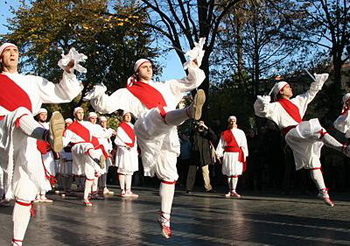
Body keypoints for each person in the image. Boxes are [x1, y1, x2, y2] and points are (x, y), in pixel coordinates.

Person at [85, 38, 206, 239]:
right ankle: (189, 111)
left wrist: (193, 64)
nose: (149, 68)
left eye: (150, 66)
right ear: (136, 71)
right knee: (159, 112)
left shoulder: (166, 86)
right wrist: (98, 94)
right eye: (144, 66)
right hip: (146, 127)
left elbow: (191, 82)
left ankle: (164, 216)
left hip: (167, 133)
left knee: (170, 176)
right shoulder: (127, 92)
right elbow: (106, 106)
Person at [0, 42, 85, 246]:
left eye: (15, 51)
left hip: (27, 136)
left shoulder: (32, 81)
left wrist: (68, 71)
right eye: (7, 51)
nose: (12, 54)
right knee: (21, 112)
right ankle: (48, 136)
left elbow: (64, 94)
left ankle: (16, 242)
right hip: (3, 131)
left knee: (26, 191)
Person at [254, 74, 350, 207]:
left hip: (300, 133)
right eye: (288, 87)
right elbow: (261, 111)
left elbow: (310, 94)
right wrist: (263, 103)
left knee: (313, 162)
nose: (291, 89)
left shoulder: (296, 101)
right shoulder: (275, 106)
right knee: (318, 130)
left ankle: (323, 192)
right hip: (292, 132)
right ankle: (343, 148)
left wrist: (318, 82)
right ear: (281, 91)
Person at [63, 107, 107, 206]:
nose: (81, 114)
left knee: (90, 174)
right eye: (79, 113)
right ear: (75, 114)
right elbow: (65, 141)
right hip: (77, 148)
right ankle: (97, 161)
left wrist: (108, 132)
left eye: (82, 113)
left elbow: (98, 134)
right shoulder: (70, 128)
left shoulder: (88, 125)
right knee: (88, 146)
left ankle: (86, 197)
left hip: (88, 151)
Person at [216, 116, 248, 198]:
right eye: (231, 121)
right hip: (228, 154)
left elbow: (244, 144)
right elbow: (221, 144)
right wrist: (219, 154)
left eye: (234, 121)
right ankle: (230, 190)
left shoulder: (241, 132)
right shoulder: (225, 133)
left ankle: (234, 190)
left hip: (237, 154)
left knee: (235, 172)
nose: (232, 122)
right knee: (229, 173)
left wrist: (245, 154)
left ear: (236, 122)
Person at [186, 120, 215, 193]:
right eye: (200, 125)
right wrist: (195, 128)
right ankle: (189, 188)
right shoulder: (195, 133)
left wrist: (206, 128)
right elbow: (190, 135)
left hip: (204, 155)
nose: (200, 127)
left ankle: (208, 187)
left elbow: (214, 137)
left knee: (205, 172)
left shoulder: (206, 134)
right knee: (191, 173)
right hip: (195, 155)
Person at [114, 112, 139, 197]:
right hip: (124, 150)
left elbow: (135, 140)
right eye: (126, 116)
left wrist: (135, 150)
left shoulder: (133, 126)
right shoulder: (121, 127)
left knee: (130, 171)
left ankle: (128, 190)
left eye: (129, 116)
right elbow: (117, 140)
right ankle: (122, 190)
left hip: (132, 151)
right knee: (123, 169)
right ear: (123, 117)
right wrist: (124, 145)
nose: (128, 117)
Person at [34, 108, 56, 203]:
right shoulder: (34, 125)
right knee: (37, 172)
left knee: (47, 172)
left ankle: (43, 194)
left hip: (48, 152)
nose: (44, 116)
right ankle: (36, 194)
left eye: (45, 115)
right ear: (38, 115)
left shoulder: (49, 126)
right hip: (37, 152)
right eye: (42, 114)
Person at [97, 115, 115, 195]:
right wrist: (110, 131)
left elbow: (109, 142)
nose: (103, 123)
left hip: (107, 153)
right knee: (100, 170)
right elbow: (102, 141)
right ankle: (98, 187)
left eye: (104, 122)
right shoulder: (99, 131)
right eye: (102, 122)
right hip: (101, 152)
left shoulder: (107, 131)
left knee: (105, 171)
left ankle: (104, 186)